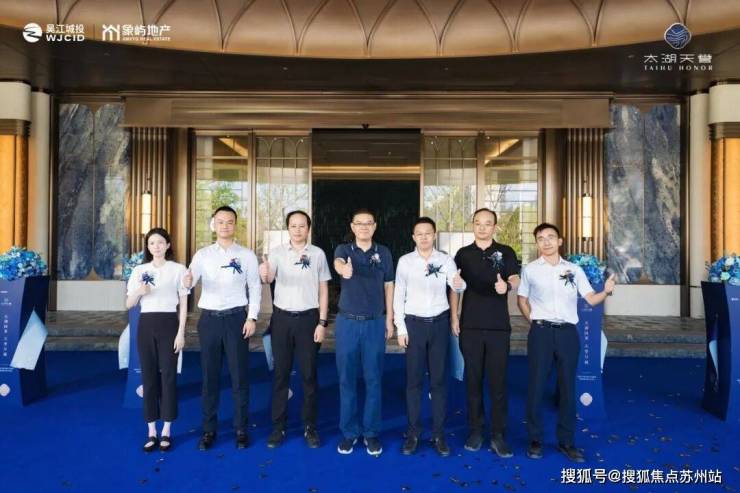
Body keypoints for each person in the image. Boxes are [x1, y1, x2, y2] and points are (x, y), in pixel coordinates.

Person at [517, 222, 615, 462]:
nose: (546, 241)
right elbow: (522, 299)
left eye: (551, 237)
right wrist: (534, 321)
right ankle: (535, 439)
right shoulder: (530, 270)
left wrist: (606, 291)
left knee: (568, 388)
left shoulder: (574, 270)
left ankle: (566, 441)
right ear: (537, 243)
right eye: (541, 238)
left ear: (560, 241)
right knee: (536, 385)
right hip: (540, 333)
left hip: (567, 334)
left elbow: (590, 299)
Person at [183, 205, 261, 451]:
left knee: (240, 377)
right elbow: (188, 283)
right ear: (213, 225)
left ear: (235, 225)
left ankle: (241, 429)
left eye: (229, 222)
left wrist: (252, 318)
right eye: (220, 221)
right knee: (210, 377)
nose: (225, 226)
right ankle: (209, 430)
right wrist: (186, 282)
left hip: (237, 319)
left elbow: (255, 287)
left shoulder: (247, 255)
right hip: (209, 321)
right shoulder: (203, 255)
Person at [449, 208, 520, 458]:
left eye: (487, 223)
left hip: (498, 327)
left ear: (495, 227)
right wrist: (454, 316)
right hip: (470, 325)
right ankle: (476, 430)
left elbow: (515, 278)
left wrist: (507, 286)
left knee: (498, 382)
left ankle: (498, 434)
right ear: (473, 225)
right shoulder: (463, 254)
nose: (482, 227)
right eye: (478, 223)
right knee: (473, 380)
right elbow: (455, 286)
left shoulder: (506, 251)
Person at [394, 217, 466, 457]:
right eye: (419, 233)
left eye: (428, 233)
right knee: (413, 382)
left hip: (439, 325)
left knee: (439, 381)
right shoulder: (405, 262)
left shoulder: (445, 260)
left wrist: (459, 283)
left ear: (434, 235)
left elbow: (456, 286)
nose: (424, 237)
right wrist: (400, 327)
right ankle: (413, 433)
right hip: (414, 325)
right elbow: (399, 294)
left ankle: (438, 434)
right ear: (413, 237)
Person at [259, 210, 331, 449]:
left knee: (309, 375)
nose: (298, 230)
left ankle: (310, 426)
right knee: (281, 374)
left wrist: (322, 322)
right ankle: (278, 426)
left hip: (309, 320)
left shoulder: (318, 254)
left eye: (302, 226)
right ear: (288, 228)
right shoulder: (277, 253)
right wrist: (264, 274)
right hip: (282, 320)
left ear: (308, 228)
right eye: (293, 225)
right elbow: (269, 278)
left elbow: (323, 290)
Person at [333, 208, 394, 456]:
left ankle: (371, 433)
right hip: (347, 323)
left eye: (369, 223)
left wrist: (390, 319)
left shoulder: (384, 253)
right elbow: (338, 265)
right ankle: (349, 433)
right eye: (359, 223)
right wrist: (343, 270)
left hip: (374, 323)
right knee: (346, 380)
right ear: (352, 226)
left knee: (373, 379)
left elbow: (389, 286)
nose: (364, 227)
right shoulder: (343, 250)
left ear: (375, 226)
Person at [125, 227, 188, 452]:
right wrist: (139, 292)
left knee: (168, 376)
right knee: (149, 376)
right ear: (148, 247)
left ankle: (167, 430)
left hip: (169, 323)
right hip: (146, 324)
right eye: (152, 243)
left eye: (160, 242)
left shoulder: (178, 269)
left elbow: (183, 303)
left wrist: (181, 332)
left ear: (168, 245)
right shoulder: (139, 270)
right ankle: (151, 430)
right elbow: (129, 304)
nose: (156, 247)